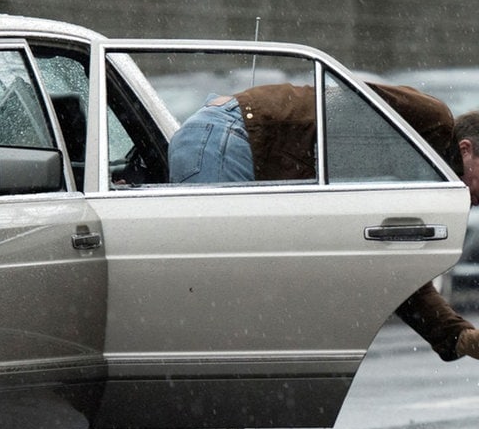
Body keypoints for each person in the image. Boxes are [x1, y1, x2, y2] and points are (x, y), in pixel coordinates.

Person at [168, 82, 479, 362]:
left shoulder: (418, 182)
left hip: (238, 145)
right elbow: (339, 98)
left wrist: (459, 338)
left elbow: (396, 268)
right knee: (213, 312)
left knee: (226, 323)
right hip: (235, 136)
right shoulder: (432, 121)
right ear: (466, 151)